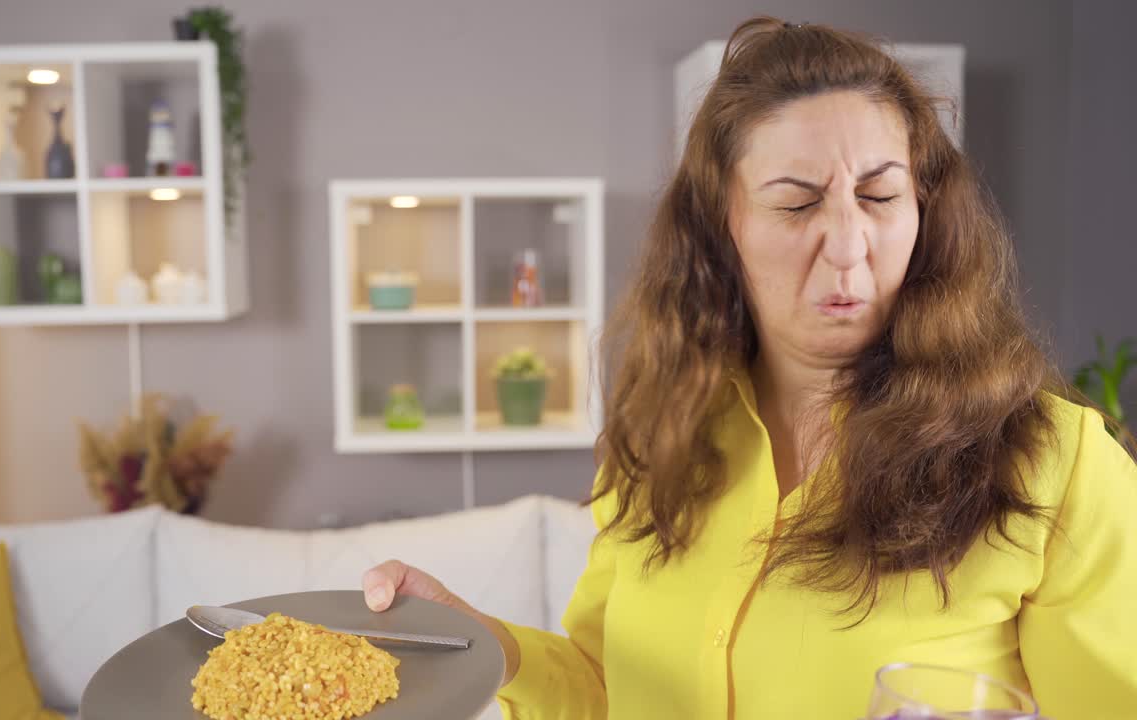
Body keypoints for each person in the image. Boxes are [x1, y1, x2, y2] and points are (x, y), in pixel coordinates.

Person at [362, 16, 1137, 720]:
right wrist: (480, 642)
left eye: (879, 195)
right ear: (719, 227)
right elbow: (607, 687)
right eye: (797, 205)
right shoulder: (657, 438)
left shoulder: (1058, 466)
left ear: (925, 210)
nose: (846, 243)